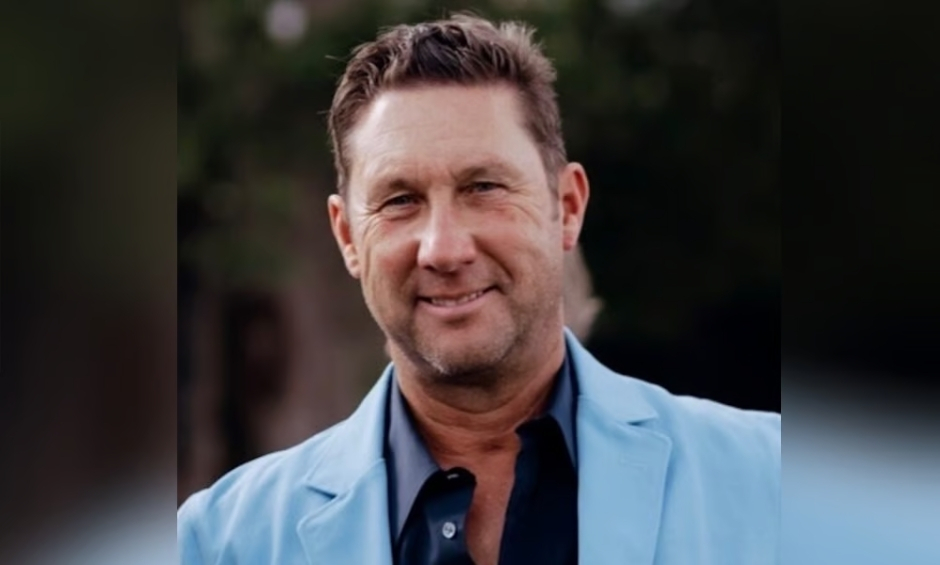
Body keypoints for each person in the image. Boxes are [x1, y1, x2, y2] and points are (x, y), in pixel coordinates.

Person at [177, 14, 780, 565]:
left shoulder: (770, 483)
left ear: (566, 208)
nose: (443, 249)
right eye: (400, 201)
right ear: (347, 238)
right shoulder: (223, 541)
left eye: (484, 188)